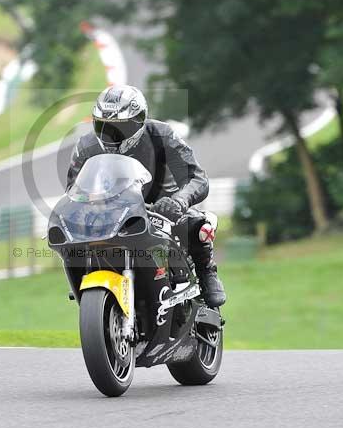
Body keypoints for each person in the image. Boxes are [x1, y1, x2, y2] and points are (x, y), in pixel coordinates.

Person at [66, 84, 226, 308]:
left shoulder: (163, 135)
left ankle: (207, 272)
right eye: (104, 126)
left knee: (197, 225)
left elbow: (197, 178)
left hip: (162, 206)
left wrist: (179, 201)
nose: (112, 134)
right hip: (112, 211)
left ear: (139, 122)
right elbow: (74, 190)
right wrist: (86, 204)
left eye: (120, 127)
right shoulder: (86, 146)